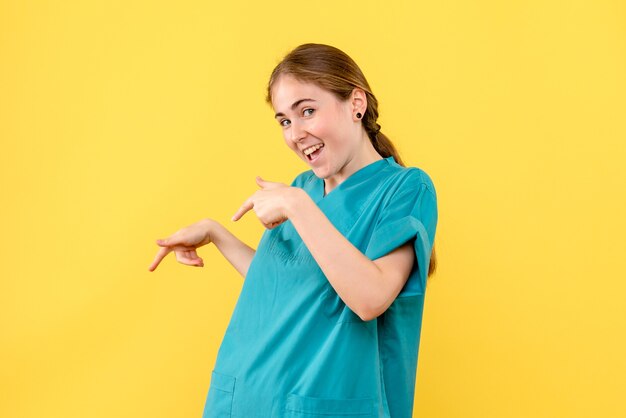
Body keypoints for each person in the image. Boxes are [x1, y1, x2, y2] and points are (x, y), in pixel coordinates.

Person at [149, 43, 438, 418]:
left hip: (324, 404)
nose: (295, 133)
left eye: (307, 111)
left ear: (356, 104)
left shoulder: (405, 189)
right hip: (246, 397)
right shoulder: (302, 186)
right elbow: (284, 286)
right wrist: (216, 233)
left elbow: (371, 298)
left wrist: (298, 207)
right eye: (285, 120)